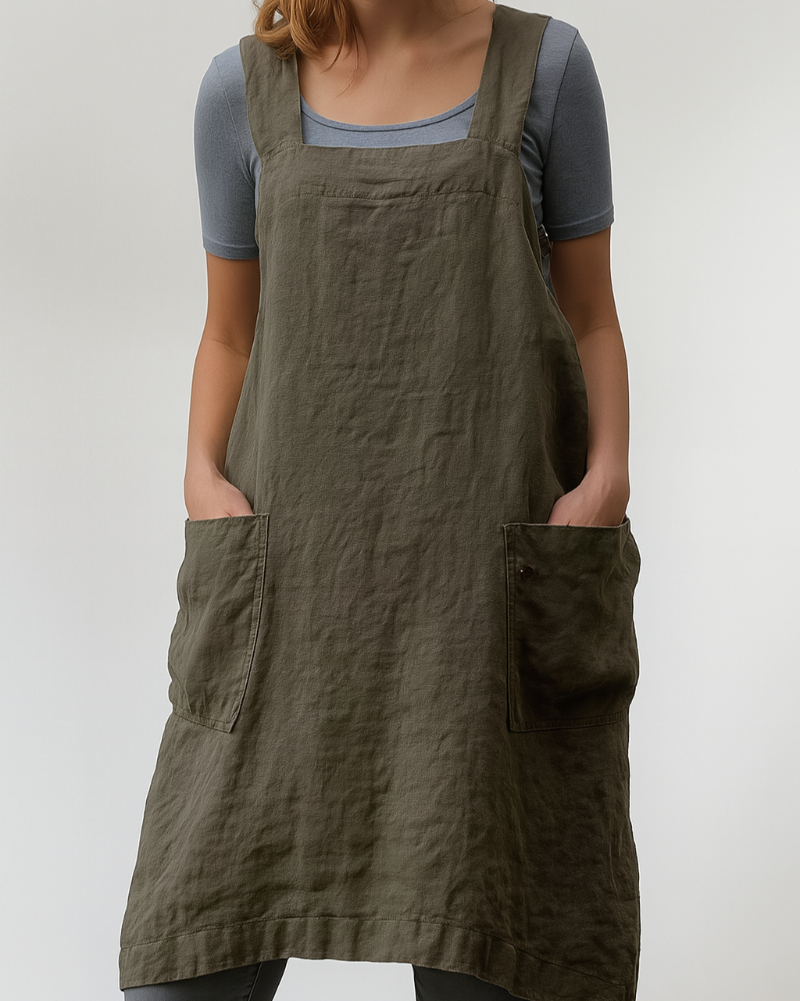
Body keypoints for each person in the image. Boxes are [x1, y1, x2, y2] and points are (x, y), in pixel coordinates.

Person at [118, 2, 643, 1000]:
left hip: (477, 602)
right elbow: (229, 329)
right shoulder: (242, 89)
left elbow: (589, 310)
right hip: (288, 594)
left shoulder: (547, 70)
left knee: (489, 933)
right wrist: (199, 473)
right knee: (187, 937)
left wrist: (607, 478)